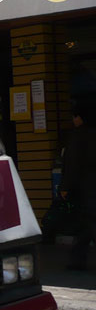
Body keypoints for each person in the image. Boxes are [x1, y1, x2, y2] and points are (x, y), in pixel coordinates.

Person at [61, 102, 96, 271]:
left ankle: (77, 260)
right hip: (89, 185)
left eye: (74, 117)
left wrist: (65, 187)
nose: (73, 120)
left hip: (86, 186)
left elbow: (73, 164)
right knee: (86, 225)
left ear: (79, 118)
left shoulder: (79, 136)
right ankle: (76, 259)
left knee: (89, 222)